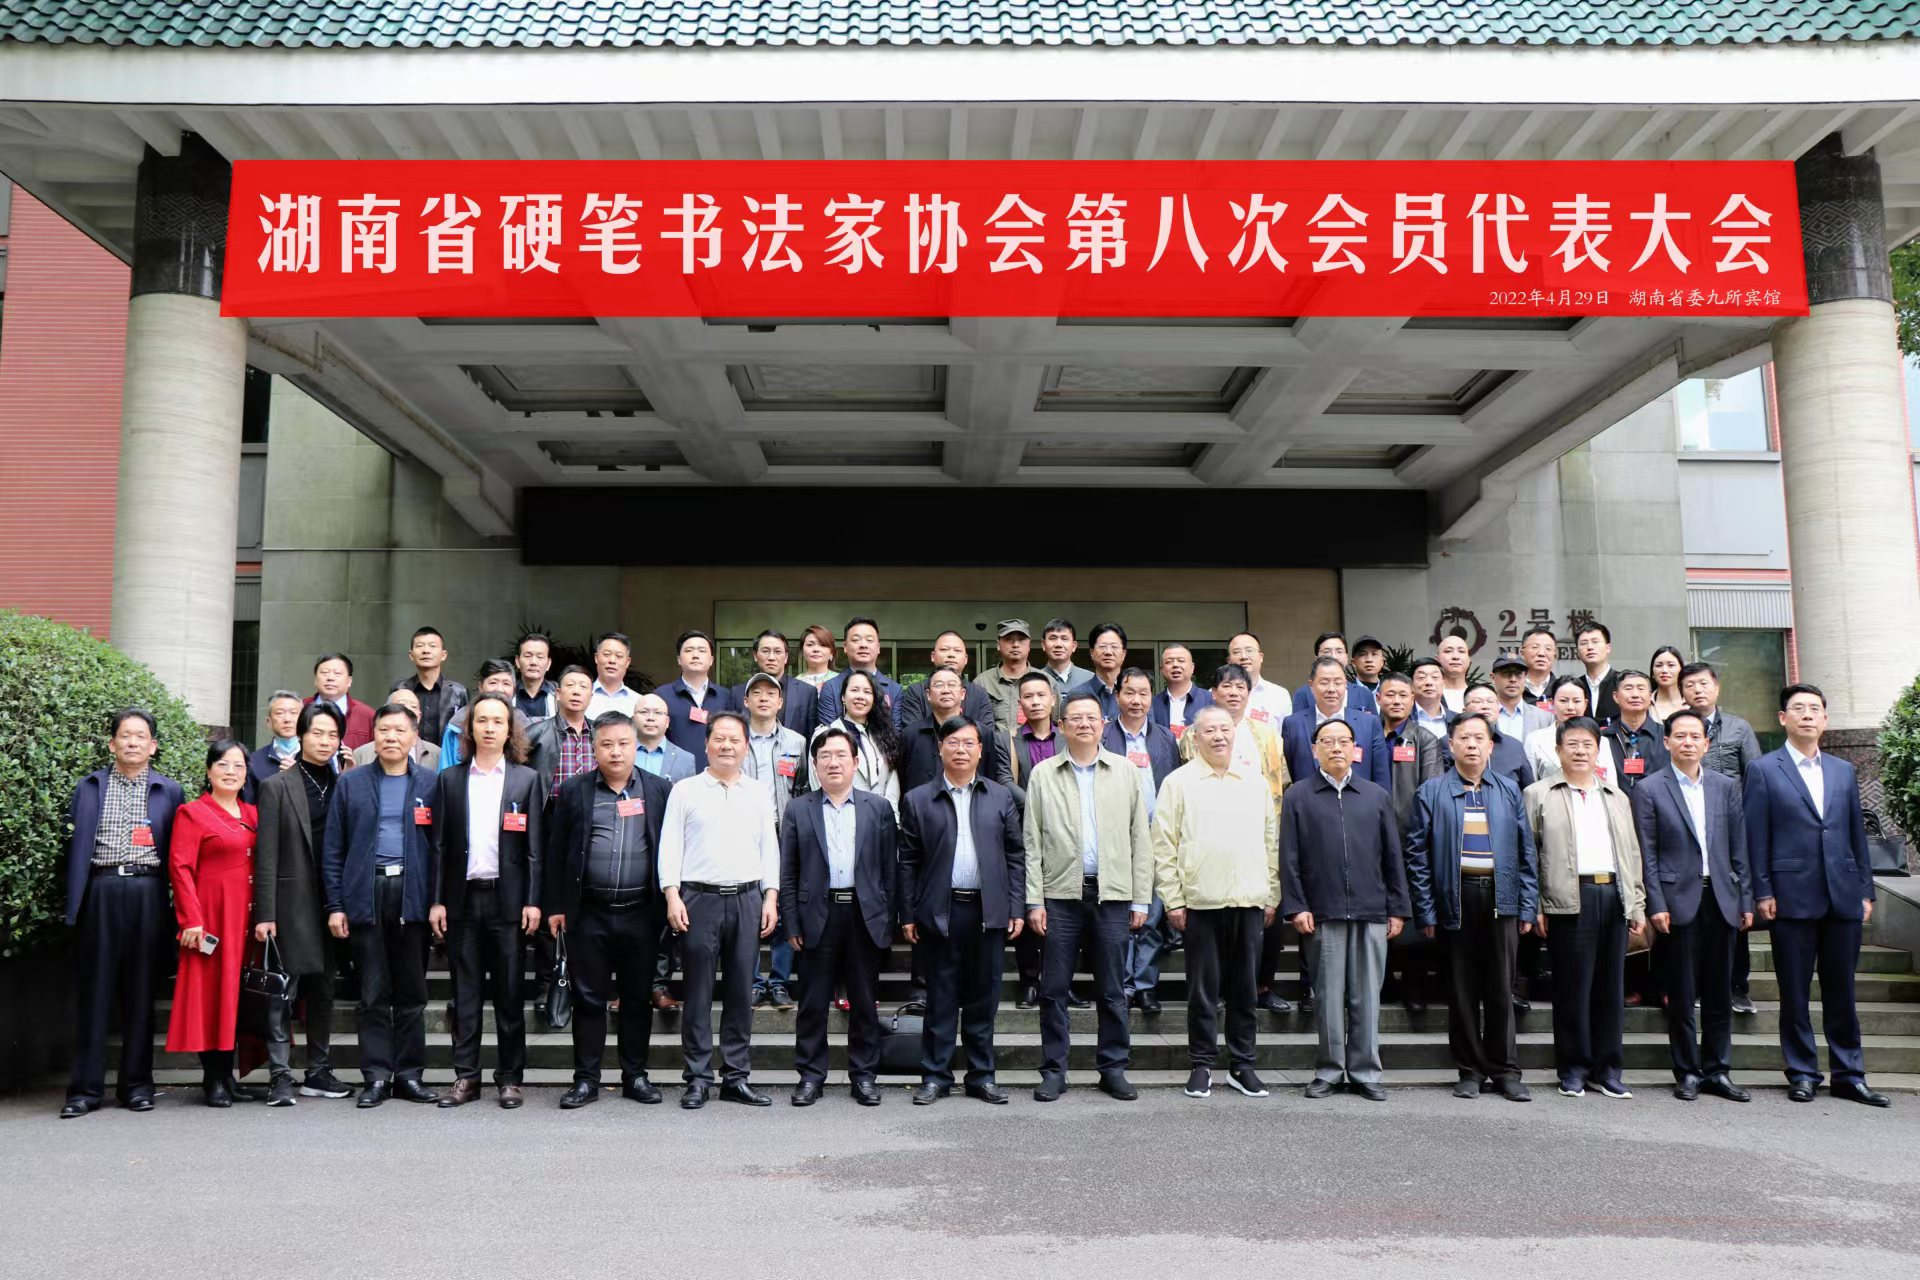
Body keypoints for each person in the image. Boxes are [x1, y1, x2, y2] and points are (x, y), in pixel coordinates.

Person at [1749, 683, 1889, 1107]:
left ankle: (1849, 1074)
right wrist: (1762, 889)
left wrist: (1865, 889)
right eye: (1799, 708)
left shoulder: (1842, 770)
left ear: (1825, 719)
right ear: (1783, 719)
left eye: (1815, 709)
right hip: (1789, 896)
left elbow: (1855, 835)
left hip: (1842, 894)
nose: (1807, 714)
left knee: (1841, 991)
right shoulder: (1764, 769)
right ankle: (1803, 1072)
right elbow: (1756, 835)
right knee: (1794, 992)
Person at [1023, 691, 1153, 1102]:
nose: (1083, 723)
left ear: (1103, 725)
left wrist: (1140, 898)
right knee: (1053, 990)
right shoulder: (1044, 773)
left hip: (1112, 895)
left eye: (1091, 717)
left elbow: (1141, 838)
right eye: (1075, 718)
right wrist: (1034, 900)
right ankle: (1054, 1070)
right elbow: (1032, 842)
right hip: (1060, 895)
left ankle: (1113, 1069)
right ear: (1061, 726)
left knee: (1113, 990)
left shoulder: (1126, 771)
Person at [1405, 713, 1539, 1102]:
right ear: (1451, 745)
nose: (1472, 745)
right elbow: (1417, 856)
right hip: (1456, 898)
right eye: (1464, 738)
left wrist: (1526, 905)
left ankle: (1505, 1069)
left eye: (1480, 738)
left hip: (1501, 897)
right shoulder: (1432, 792)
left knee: (1501, 988)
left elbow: (1526, 851)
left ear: (1491, 746)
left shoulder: (1508, 790)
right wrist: (1427, 910)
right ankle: (1469, 1070)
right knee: (1461, 990)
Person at [545, 711, 673, 1109]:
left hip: (641, 913)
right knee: (588, 999)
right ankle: (586, 1080)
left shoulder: (658, 790)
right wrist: (556, 906)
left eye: (623, 744)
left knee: (637, 998)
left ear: (635, 746)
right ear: (594, 747)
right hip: (589, 913)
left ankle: (635, 1076)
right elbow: (556, 851)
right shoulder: (574, 790)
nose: (615, 752)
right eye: (606, 744)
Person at [60, 709, 184, 1119]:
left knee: (141, 991)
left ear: (153, 746)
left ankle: (137, 1086)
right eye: (125, 735)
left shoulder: (169, 791)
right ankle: (85, 1090)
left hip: (149, 892)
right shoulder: (89, 787)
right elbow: (71, 848)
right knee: (94, 992)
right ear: (112, 743)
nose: (132, 742)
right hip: (101, 888)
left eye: (140, 736)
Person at [1153, 706, 1279, 1101]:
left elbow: (1270, 841)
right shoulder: (1178, 783)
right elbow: (1164, 844)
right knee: (1202, 991)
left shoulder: (1254, 782)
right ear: (1195, 737)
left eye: (1225, 728)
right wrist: (1173, 899)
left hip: (1249, 899)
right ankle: (1202, 1064)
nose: (1219, 736)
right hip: (1200, 901)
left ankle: (1243, 1065)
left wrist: (1271, 893)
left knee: (1245, 989)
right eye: (1210, 730)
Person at [898, 717, 1026, 1105]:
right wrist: (908, 913)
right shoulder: (918, 799)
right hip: (940, 911)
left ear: (981, 750)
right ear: (940, 748)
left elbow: (1015, 855)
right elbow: (908, 862)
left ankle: (981, 1075)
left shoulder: (999, 796)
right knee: (939, 999)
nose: (961, 749)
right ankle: (935, 1076)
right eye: (953, 742)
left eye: (969, 743)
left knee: (983, 999)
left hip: (988, 911)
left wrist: (1015, 906)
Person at [1282, 718, 1409, 1102]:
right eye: (1327, 741)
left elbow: (1393, 856)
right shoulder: (1298, 796)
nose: (1336, 747)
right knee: (1328, 997)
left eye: (1343, 741)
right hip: (1323, 911)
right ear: (1314, 749)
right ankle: (1329, 1070)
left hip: (1371, 910)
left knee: (1366, 997)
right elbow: (1289, 857)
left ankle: (1366, 1071)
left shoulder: (1375, 795)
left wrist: (1397, 908)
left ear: (1355, 749)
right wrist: (1297, 906)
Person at [321, 703, 441, 1108]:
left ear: (414, 737)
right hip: (366, 893)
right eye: (384, 730)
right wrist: (336, 905)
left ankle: (409, 1075)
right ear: (373, 736)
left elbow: (440, 849)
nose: (391, 737)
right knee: (372, 992)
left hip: (413, 895)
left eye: (399, 730)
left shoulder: (431, 784)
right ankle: (375, 1076)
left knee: (412, 993)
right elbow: (333, 849)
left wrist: (437, 901)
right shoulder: (351, 783)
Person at [1631, 709, 1753, 1102]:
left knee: (1719, 992)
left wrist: (1745, 898)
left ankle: (1718, 1070)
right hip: (1676, 901)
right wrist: (1655, 902)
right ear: (1666, 742)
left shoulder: (1725, 786)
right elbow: (1647, 854)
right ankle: (1687, 1071)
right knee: (1681, 994)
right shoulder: (1649, 789)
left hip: (1721, 898)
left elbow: (1739, 848)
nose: (1687, 742)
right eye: (1679, 736)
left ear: (1707, 743)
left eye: (1694, 736)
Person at [659, 712, 781, 1109]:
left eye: (735, 740)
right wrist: (672, 894)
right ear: (706, 744)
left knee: (741, 992)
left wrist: (771, 896)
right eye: (720, 739)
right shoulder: (685, 791)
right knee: (697, 993)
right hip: (699, 900)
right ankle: (697, 1078)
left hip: (747, 899)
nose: (727, 746)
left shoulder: (758, 792)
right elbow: (670, 845)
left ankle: (736, 1076)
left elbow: (769, 847)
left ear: (746, 746)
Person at [429, 694, 544, 1109]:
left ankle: (510, 1078)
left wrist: (533, 900)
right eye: (482, 720)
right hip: (462, 901)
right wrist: (437, 901)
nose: (490, 728)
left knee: (510, 994)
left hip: (508, 902)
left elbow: (535, 849)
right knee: (466, 994)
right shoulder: (450, 780)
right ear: (470, 728)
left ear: (509, 730)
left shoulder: (526, 780)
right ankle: (466, 1076)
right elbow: (439, 847)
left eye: (498, 721)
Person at [1524, 716, 1647, 1099]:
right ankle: (1573, 1068)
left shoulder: (1615, 796)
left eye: (1587, 745)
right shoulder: (1538, 794)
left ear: (1599, 750)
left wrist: (1636, 903)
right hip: (1567, 899)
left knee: (1610, 989)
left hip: (1613, 895)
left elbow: (1631, 853)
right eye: (1572, 744)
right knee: (1572, 988)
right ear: (1558, 750)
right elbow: (1530, 854)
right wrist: (1537, 904)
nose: (1580, 751)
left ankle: (1607, 1070)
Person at [781, 727, 901, 1106]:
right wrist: (791, 922)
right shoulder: (799, 809)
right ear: (815, 765)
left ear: (855, 762)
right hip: (817, 914)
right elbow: (788, 872)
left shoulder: (878, 808)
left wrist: (889, 920)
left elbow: (890, 871)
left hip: (865, 916)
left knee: (865, 1002)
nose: (833, 763)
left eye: (840, 755)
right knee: (812, 1003)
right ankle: (810, 1076)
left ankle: (863, 1076)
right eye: (825, 756)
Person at [252, 703, 353, 1107]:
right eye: (317, 733)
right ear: (301, 735)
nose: (325, 742)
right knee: (284, 990)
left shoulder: (345, 783)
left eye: (333, 735)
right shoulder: (276, 786)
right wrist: (266, 913)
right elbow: (266, 855)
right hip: (292, 902)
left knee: (324, 988)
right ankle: (280, 1074)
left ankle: (318, 1070)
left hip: (335, 902)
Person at [1186, 663, 1293, 1013]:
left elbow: (1282, 783)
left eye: (1240, 687)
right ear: (1213, 693)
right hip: (1210, 837)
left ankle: (1263, 986)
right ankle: (1218, 990)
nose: (1233, 692)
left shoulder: (1268, 735)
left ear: (1249, 693)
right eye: (1226, 686)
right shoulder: (1192, 734)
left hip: (1259, 833)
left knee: (1267, 915)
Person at [164, 739, 261, 1107]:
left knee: (238, 997)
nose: (230, 772)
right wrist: (191, 920)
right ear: (208, 771)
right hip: (210, 920)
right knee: (210, 996)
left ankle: (230, 1077)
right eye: (222, 764)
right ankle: (213, 1078)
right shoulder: (192, 813)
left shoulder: (254, 814)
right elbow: (180, 869)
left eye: (238, 766)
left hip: (247, 920)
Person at [1683, 660, 1765, 1014]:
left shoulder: (1738, 728)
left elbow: (1755, 778)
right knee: (1694, 912)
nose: (1697, 690)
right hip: (1689, 830)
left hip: (1731, 831)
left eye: (1703, 683)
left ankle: (1737, 987)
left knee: (1733, 910)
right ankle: (1697, 988)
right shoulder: (1679, 727)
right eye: (1690, 685)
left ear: (1716, 687)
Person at [1106, 669, 1182, 1013]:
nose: (1136, 700)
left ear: (1152, 697)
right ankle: (1122, 984)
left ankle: (1145, 985)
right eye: (1129, 693)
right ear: (1117, 696)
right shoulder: (1104, 736)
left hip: (1155, 837)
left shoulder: (1165, 738)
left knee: (1151, 917)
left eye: (1143, 693)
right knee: (1122, 916)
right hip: (1116, 837)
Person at [1376, 672, 1447, 1013]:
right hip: (1370, 841)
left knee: (1414, 915)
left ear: (1413, 699)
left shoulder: (1424, 739)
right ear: (1379, 698)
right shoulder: (1367, 734)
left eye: (1403, 695)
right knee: (1378, 914)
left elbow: (1430, 791)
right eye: (1390, 694)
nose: (1396, 701)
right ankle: (1383, 982)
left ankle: (1413, 986)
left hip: (1410, 840)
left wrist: (1419, 837)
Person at [740, 671, 808, 1011]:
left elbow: (804, 788)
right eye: (757, 693)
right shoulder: (735, 738)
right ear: (746, 701)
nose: (764, 698)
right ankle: (753, 982)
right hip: (743, 833)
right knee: (749, 907)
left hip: (784, 832)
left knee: (782, 905)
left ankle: (779, 981)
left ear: (781, 702)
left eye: (771, 693)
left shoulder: (797, 743)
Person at [1282, 656, 1389, 790]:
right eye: (1324, 682)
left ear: (1346, 685)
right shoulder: (1293, 725)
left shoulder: (1369, 723)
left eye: (1338, 683)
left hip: (1359, 801)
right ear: (1311, 685)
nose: (1331, 689)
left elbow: (1381, 779)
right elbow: (1289, 774)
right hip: (1308, 801)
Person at [900, 667, 1010, 793]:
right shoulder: (910, 735)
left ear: (962, 694)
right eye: (939, 685)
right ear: (928, 695)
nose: (946, 690)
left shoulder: (982, 733)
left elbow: (990, 776)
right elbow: (903, 780)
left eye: (952, 685)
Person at [809, 669, 903, 813]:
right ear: (843, 697)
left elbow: (892, 785)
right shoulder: (824, 735)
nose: (860, 696)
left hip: (880, 818)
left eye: (867, 692)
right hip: (838, 816)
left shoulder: (884, 736)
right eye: (854, 690)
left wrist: (891, 818)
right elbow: (817, 781)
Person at [1524, 676, 1620, 786]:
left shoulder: (1602, 742)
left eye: (1576, 701)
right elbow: (1530, 787)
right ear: (1552, 703)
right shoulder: (1535, 740)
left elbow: (1611, 786)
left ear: (1585, 704)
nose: (1570, 707)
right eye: (1563, 701)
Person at [438, 659, 529, 771]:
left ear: (514, 690)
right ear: (480, 686)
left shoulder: (524, 724)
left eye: (506, 684)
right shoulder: (458, 724)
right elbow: (446, 769)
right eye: (493, 683)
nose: (499, 689)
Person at [898, 629, 997, 730]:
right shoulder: (916, 691)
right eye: (944, 649)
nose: (951, 655)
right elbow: (911, 733)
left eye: (957, 650)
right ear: (933, 656)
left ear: (966, 659)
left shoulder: (979, 694)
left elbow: (986, 733)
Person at [815, 616, 903, 727]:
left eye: (869, 640)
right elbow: (829, 732)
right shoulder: (831, 687)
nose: (863, 645)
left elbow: (895, 731)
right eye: (856, 640)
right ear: (845, 647)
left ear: (878, 648)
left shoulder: (894, 689)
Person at [526, 666, 598, 801]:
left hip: (592, 808)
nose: (576, 692)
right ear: (558, 694)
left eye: (583, 687)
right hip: (549, 809)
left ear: (591, 697)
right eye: (570, 685)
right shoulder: (535, 733)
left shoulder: (600, 732)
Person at [729, 628, 818, 737]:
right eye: (765, 651)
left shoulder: (807, 693)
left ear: (786, 657)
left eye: (777, 651)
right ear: (755, 656)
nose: (771, 657)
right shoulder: (737, 693)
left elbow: (812, 738)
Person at [393, 625, 467, 745]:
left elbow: (464, 730)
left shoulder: (458, 692)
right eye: (420, 646)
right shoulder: (400, 689)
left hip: (444, 755)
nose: (426, 651)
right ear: (411, 655)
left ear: (443, 655)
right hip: (408, 753)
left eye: (432, 646)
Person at [1460, 683, 1536, 795]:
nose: (1485, 706)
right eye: (1477, 701)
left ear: (1498, 708)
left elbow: (1529, 791)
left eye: (1490, 701)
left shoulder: (1514, 746)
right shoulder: (1451, 744)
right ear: (1464, 710)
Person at [1602, 669, 1669, 792]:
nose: (1635, 695)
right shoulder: (1603, 738)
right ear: (1616, 697)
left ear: (1650, 696)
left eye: (1641, 688)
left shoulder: (1666, 736)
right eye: (1628, 688)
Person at [972, 619, 1033, 750]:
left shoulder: (1045, 682)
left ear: (1029, 645)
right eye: (1009, 639)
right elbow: (972, 726)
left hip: (1034, 752)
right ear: (998, 645)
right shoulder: (982, 682)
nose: (1015, 644)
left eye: (1021, 640)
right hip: (994, 752)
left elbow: (1055, 724)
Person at [352, 685, 441, 770]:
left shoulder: (437, 754)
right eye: (401, 705)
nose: (408, 710)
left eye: (413, 707)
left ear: (419, 716)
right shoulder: (362, 754)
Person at [1290, 632, 1378, 715]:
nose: (1333, 656)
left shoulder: (1364, 694)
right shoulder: (1303, 694)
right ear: (1316, 659)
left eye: (1339, 651)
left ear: (1346, 657)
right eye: (1327, 652)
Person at [1008, 669, 1062, 794]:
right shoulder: (1007, 740)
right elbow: (1006, 782)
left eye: (1041, 695)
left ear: (1053, 700)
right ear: (1020, 704)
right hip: (1024, 805)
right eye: (1028, 697)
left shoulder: (1068, 738)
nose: (1035, 702)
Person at [246, 690, 305, 799]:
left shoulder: (315, 758)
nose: (287, 719)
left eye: (293, 713)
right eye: (279, 713)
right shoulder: (254, 761)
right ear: (269, 722)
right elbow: (249, 804)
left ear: (303, 720)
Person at [308, 653, 375, 750]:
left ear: (349, 681)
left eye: (337, 673)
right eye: (324, 673)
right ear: (315, 679)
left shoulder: (367, 715)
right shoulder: (300, 708)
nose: (330, 678)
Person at [1067, 621, 1130, 722]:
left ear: (1123, 654)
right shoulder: (1076, 695)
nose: (1108, 652)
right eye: (1102, 646)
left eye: (1114, 647)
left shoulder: (1136, 696)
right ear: (1092, 652)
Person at [1227, 631, 1290, 727]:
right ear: (1229, 661)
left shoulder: (1280, 695)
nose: (1244, 656)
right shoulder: (1215, 695)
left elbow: (1286, 733)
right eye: (1236, 652)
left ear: (1261, 657)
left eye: (1249, 650)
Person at [633, 691, 697, 784]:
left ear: (667, 722)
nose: (651, 718)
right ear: (633, 719)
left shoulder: (685, 759)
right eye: (644, 712)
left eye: (658, 713)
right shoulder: (620, 753)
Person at [1489, 654, 1554, 745]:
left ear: (1525, 677)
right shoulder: (1483, 715)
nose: (1513, 679)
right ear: (1493, 678)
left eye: (1518, 674)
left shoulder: (1544, 718)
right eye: (1506, 674)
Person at [1152, 643, 1212, 738]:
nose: (1175, 665)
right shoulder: (1152, 704)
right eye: (1169, 662)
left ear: (1192, 667)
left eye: (1181, 661)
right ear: (1162, 670)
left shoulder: (1210, 699)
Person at [585, 631, 641, 720]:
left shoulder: (639, 702)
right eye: (606, 654)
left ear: (627, 662)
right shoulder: (581, 697)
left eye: (619, 656)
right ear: (596, 658)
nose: (612, 660)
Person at [1574, 621, 1621, 727]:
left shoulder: (1623, 682)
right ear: (1577, 652)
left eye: (1595, 642)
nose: (1590, 647)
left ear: (1608, 648)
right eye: (1584, 643)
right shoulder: (1575, 686)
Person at [1037, 617, 1095, 700]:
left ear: (1074, 646)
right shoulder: (1034, 679)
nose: (1058, 644)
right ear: (1043, 644)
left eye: (1064, 639)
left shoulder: (1090, 679)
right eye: (1053, 638)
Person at [512, 630, 558, 722]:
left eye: (540, 657)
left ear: (548, 664)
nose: (533, 662)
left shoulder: (558, 695)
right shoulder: (508, 693)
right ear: (517, 661)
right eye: (528, 656)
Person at [1408, 658, 1452, 739]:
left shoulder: (1457, 720)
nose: (1429, 682)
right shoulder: (1402, 718)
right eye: (1421, 677)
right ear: (1411, 684)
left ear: (1444, 683)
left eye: (1435, 677)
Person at [1519, 626, 1560, 706]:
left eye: (1548, 648)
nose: (1541, 653)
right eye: (1535, 647)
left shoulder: (1561, 689)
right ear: (1522, 653)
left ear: (1555, 655)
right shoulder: (1512, 688)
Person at [1649, 645, 1688, 724]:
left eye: (1671, 665)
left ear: (1681, 670)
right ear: (1652, 673)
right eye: (1659, 665)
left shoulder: (1691, 702)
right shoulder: (1644, 704)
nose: (1664, 670)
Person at [1435, 631, 1472, 713]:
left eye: (1461, 651)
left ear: (1469, 660)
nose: (1455, 657)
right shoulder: (1428, 694)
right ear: (1437, 659)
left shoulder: (1480, 694)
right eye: (1448, 651)